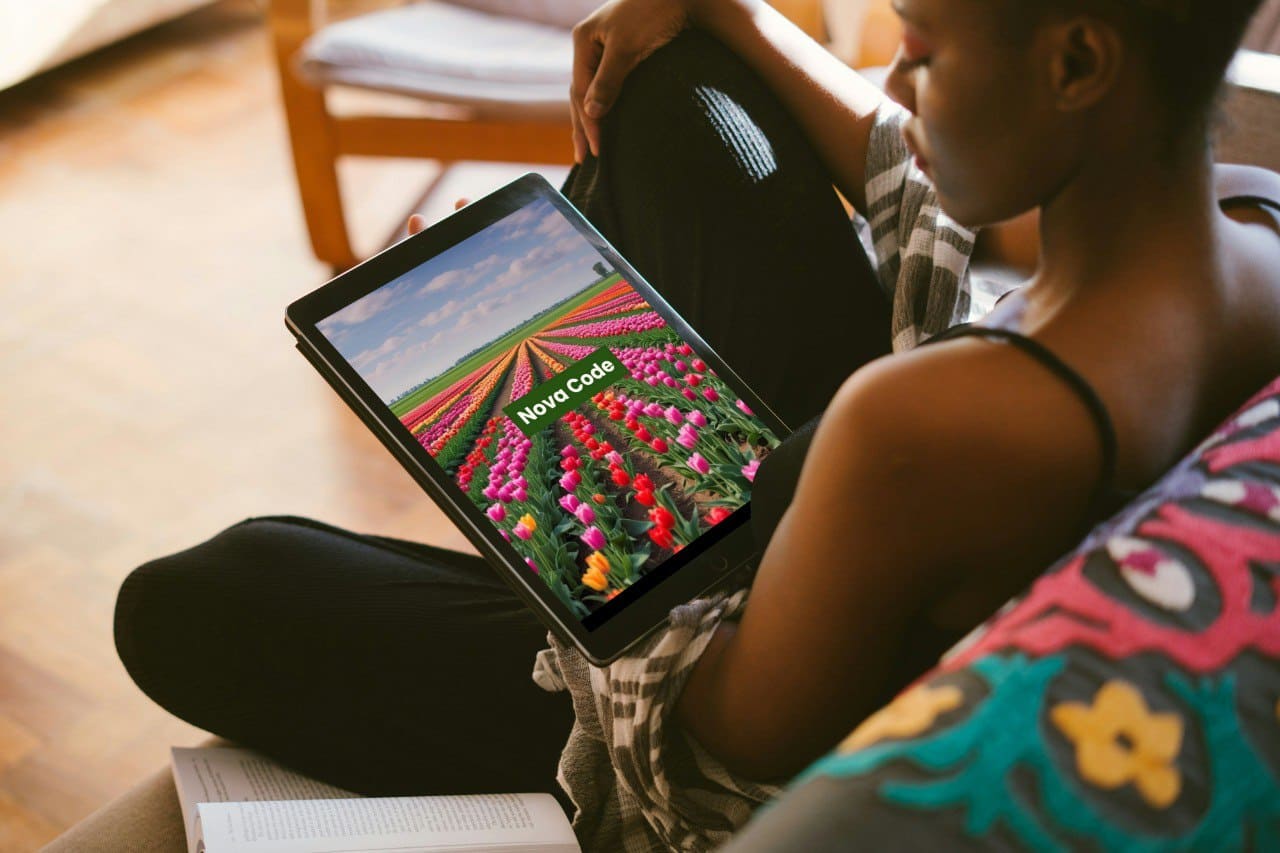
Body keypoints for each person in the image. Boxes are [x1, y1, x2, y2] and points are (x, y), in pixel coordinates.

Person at [115, 0, 1280, 850]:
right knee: (675, 82)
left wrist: (563, 454)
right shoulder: (1246, 223)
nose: (902, 81)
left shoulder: (927, 423)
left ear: (1077, 60)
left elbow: (708, 765)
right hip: (873, 536)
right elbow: (933, 201)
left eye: (919, 47)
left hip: (765, 643)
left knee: (203, 593)